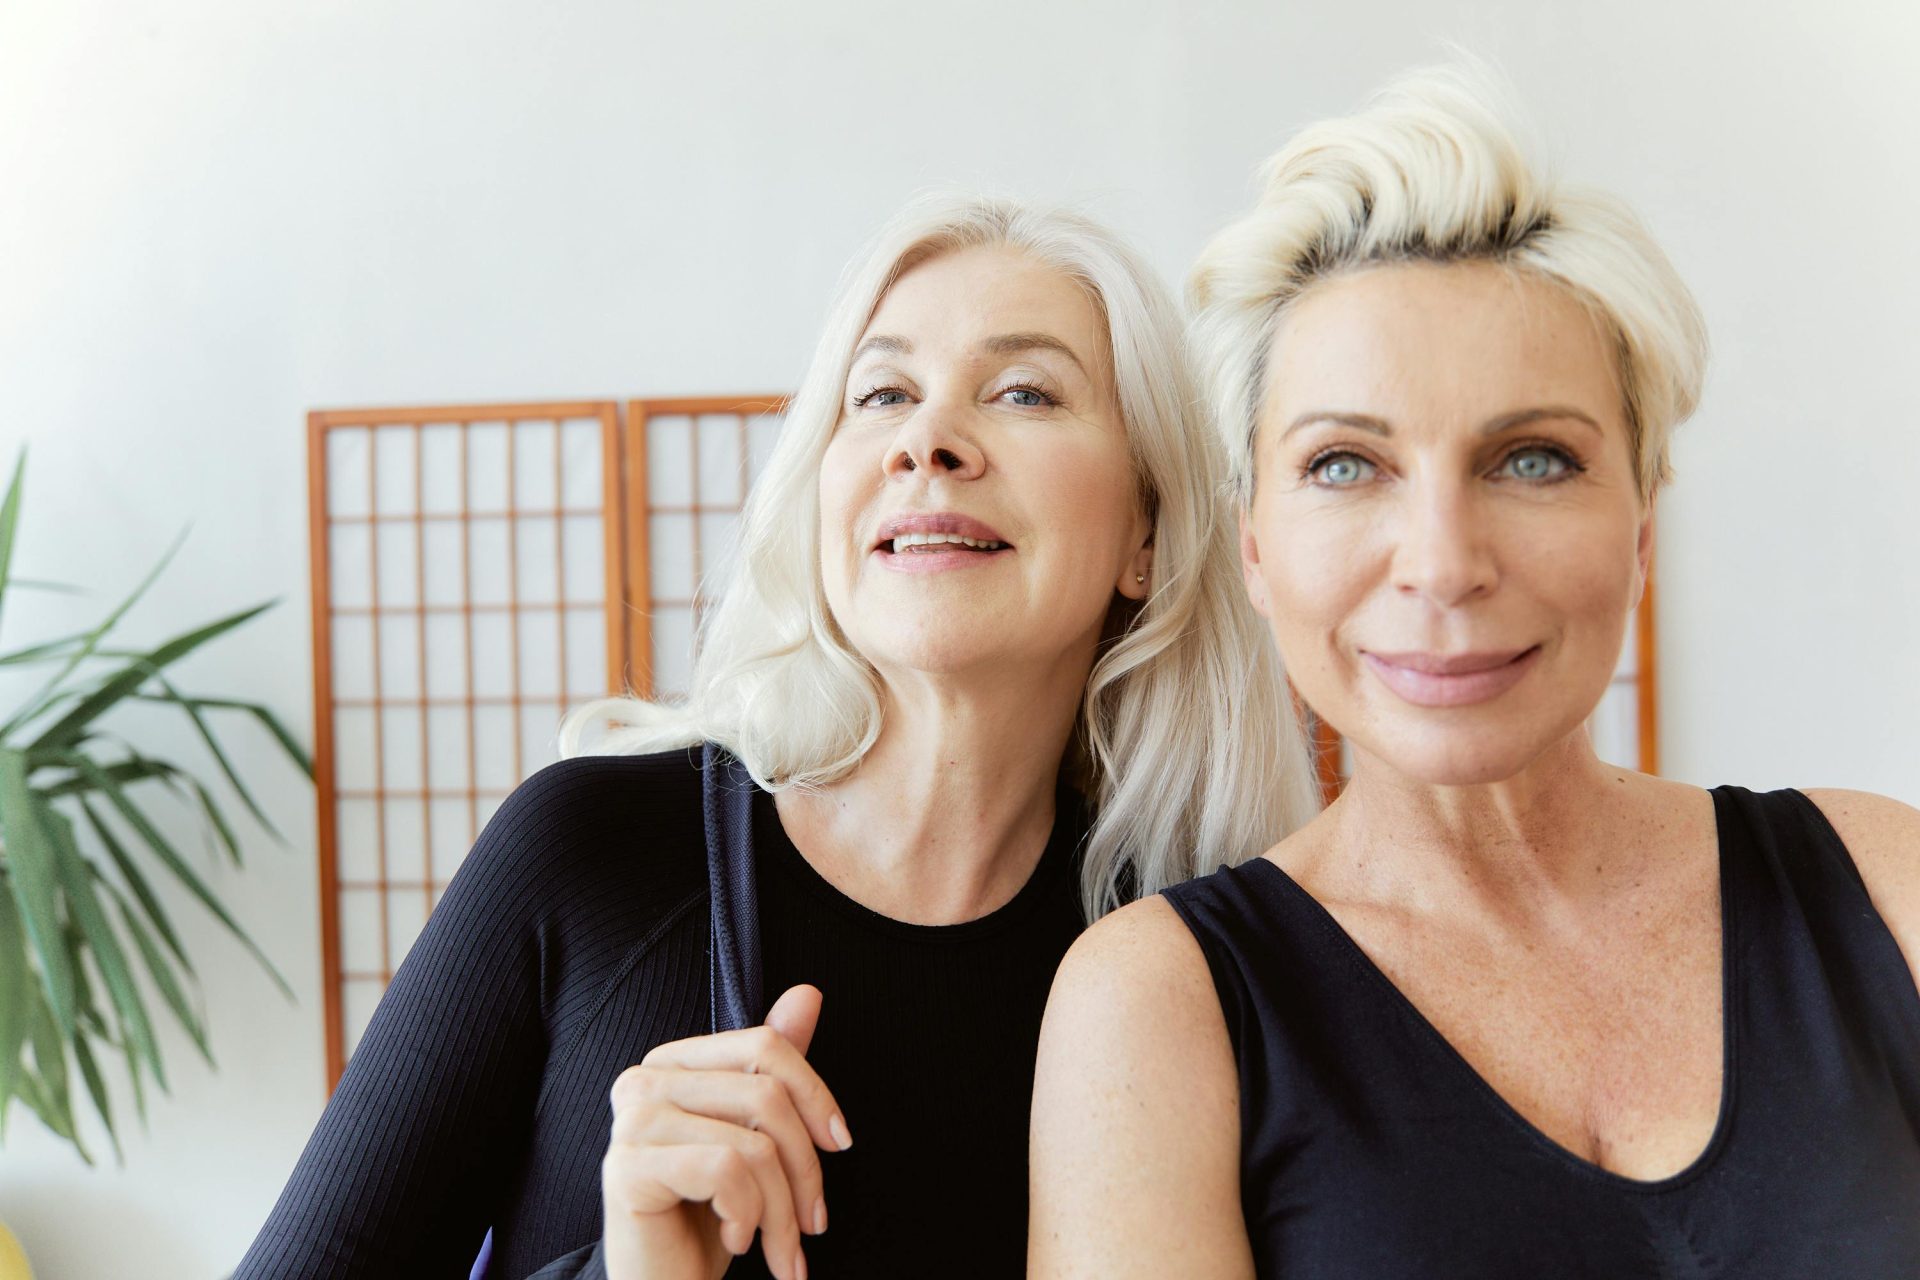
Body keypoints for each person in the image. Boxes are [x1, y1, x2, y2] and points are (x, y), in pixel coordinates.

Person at [234, 194, 1317, 1280]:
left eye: (1025, 390)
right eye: (882, 392)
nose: (925, 440)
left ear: (1149, 528)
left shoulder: (1193, 970)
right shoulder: (592, 850)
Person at [1030, 66, 1920, 1278]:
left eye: (1534, 459)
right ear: (1253, 545)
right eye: (1345, 464)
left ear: (1643, 526)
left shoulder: (1884, 884)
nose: (1443, 564)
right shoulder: (1160, 1008)